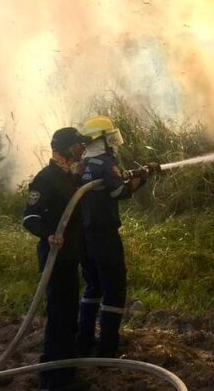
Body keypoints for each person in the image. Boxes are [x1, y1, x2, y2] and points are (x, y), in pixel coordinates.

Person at [76, 115, 159, 358]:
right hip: (104, 236)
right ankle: (108, 348)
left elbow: (109, 182)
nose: (114, 142)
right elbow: (120, 191)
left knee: (93, 286)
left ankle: (84, 341)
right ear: (101, 139)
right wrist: (143, 177)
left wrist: (133, 173)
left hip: (84, 237)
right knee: (114, 288)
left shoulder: (82, 164)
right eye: (110, 137)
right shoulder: (105, 162)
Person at [22, 127, 93, 391]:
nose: (81, 150)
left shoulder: (70, 177)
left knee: (70, 313)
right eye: (77, 146)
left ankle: (67, 372)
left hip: (70, 255)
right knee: (59, 316)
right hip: (54, 257)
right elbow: (29, 218)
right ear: (63, 149)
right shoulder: (45, 179)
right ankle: (52, 378)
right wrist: (49, 234)